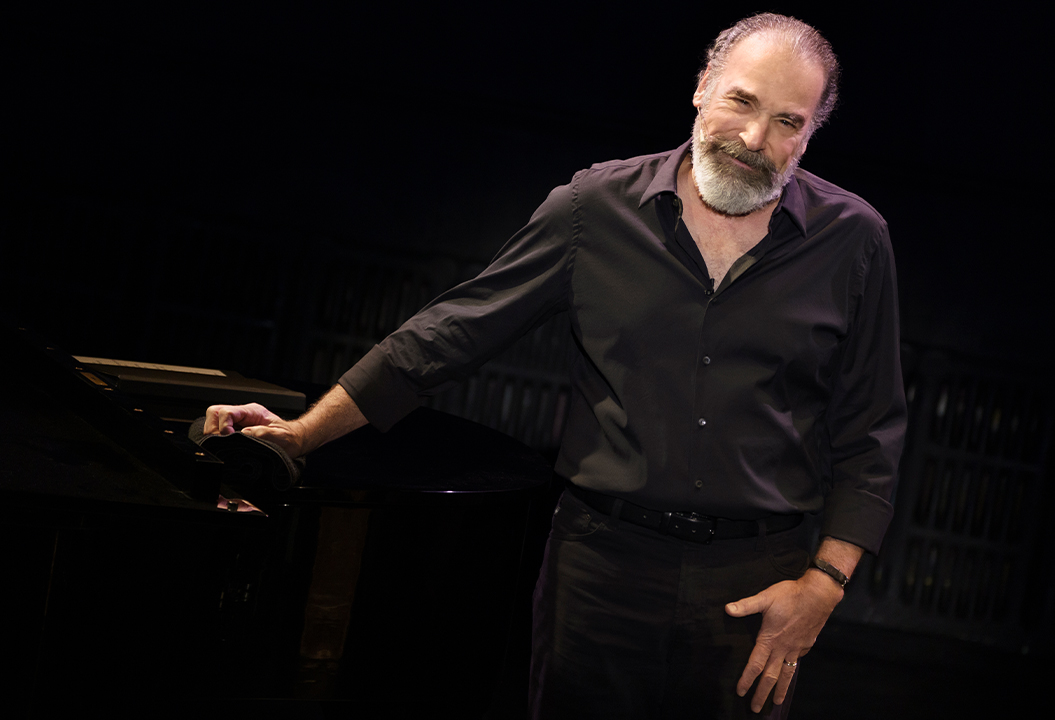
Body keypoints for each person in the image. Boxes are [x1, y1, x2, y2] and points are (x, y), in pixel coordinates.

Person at [205, 12, 905, 719]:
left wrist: (824, 584)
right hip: (601, 572)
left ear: (812, 132)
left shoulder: (856, 243)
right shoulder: (593, 209)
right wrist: (300, 436)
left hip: (757, 585)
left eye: (788, 120)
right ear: (701, 88)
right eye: (741, 101)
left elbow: (872, 429)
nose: (756, 140)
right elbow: (444, 337)